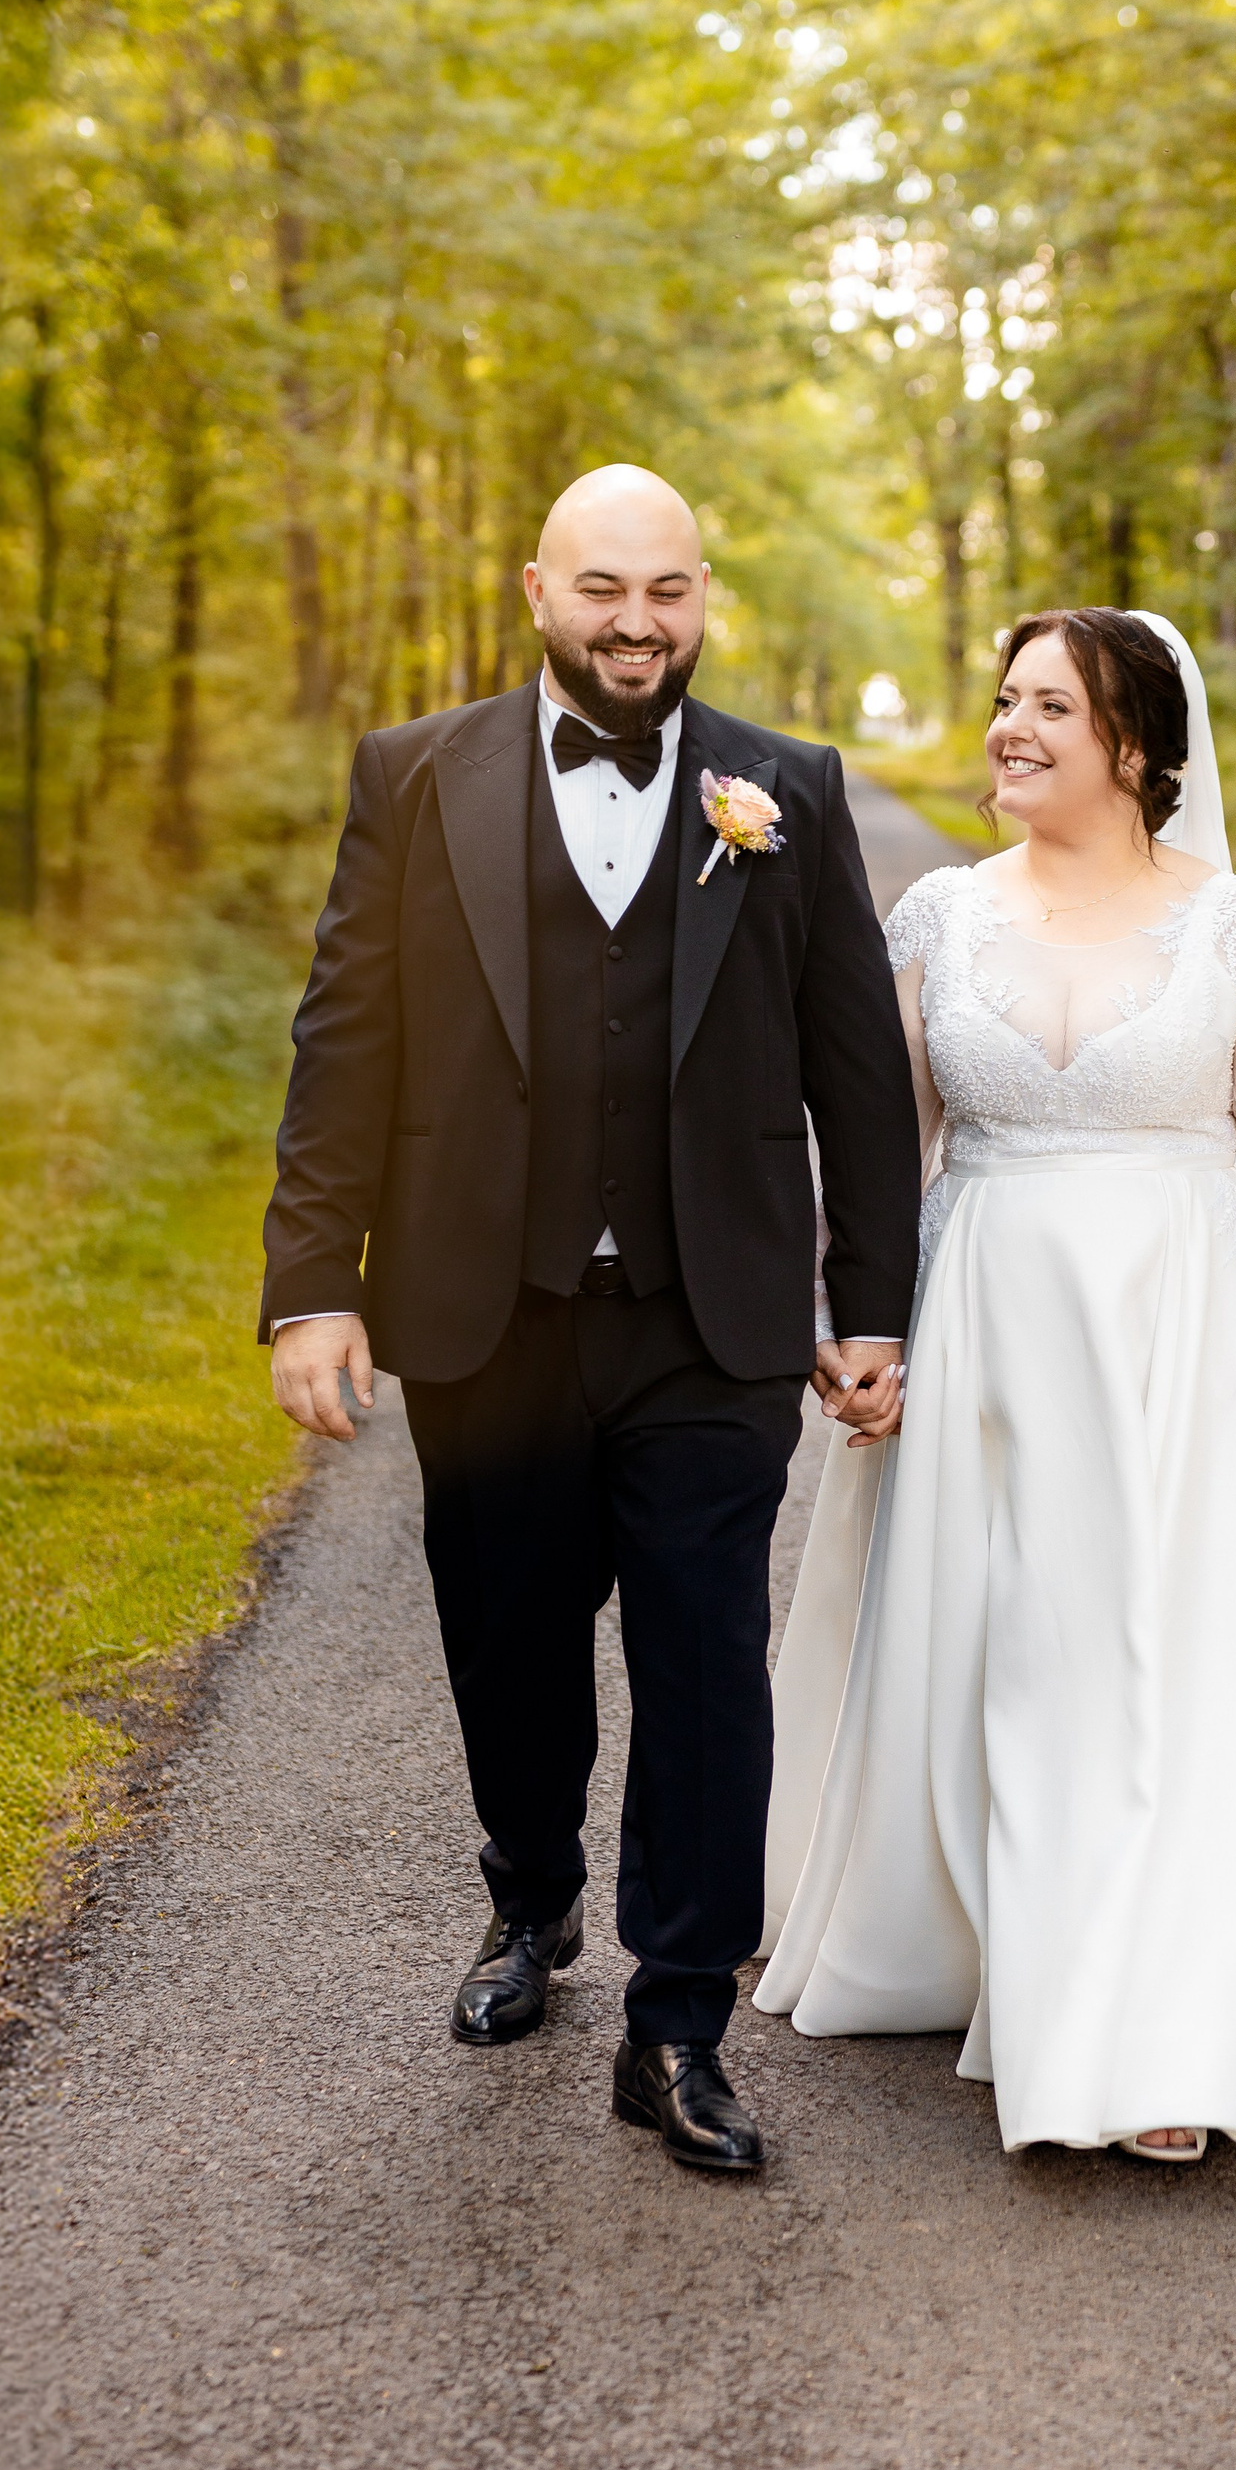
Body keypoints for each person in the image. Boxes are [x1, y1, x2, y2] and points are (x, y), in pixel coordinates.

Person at [756, 606, 1236, 2161]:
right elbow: (881, 1154)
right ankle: (1033, 1961)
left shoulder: (1233, 924)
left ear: (1135, 747)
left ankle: (1162, 2024)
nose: (1007, 729)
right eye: (1002, 700)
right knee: (1030, 1658)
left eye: (1049, 704)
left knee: (1158, 1669)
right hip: (989, 1329)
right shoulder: (937, 921)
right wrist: (860, 1329)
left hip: (1188, 1344)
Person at [261, 464, 920, 2174]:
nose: (641, 624)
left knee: (708, 1663)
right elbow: (348, 1041)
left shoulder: (788, 789)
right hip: (488, 1300)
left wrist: (873, 1307)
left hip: (716, 1312)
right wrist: (312, 1285)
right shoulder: (416, 778)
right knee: (512, 1640)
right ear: (536, 589)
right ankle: (531, 1898)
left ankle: (679, 2021)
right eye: (607, 590)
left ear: (706, 597)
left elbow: (858, 1068)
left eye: (671, 592)